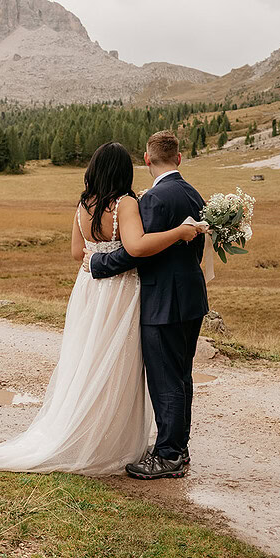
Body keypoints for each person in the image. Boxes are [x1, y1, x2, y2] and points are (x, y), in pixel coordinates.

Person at [0, 142, 203, 476]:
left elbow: (76, 253)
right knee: (118, 366)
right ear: (125, 169)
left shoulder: (83, 204)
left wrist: (95, 261)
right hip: (120, 292)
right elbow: (136, 248)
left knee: (88, 361)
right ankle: (133, 442)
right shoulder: (126, 203)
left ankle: (92, 431)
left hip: (89, 293)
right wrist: (180, 232)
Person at [85, 130, 208, 479]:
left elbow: (135, 252)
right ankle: (178, 448)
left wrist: (97, 265)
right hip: (191, 297)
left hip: (162, 301)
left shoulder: (152, 200)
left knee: (165, 379)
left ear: (147, 160)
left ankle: (168, 456)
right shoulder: (193, 193)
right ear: (179, 159)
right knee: (182, 377)